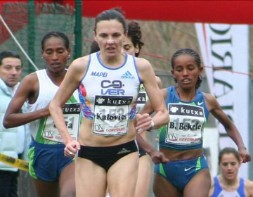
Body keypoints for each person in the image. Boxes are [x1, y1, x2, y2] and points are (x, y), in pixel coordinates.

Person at [49, 9, 169, 197]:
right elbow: (55, 105)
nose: (110, 41)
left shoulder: (141, 67)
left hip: (124, 150)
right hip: (89, 152)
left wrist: (152, 122)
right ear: (95, 36)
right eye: (104, 35)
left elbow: (163, 112)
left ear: (125, 36)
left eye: (116, 35)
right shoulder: (81, 66)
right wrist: (67, 139)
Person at [141, 48, 251, 197]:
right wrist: (151, 150)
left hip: (196, 168)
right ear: (173, 73)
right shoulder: (162, 96)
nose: (185, 73)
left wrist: (241, 147)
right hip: (165, 169)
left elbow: (229, 126)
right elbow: (133, 126)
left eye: (190, 68)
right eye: (179, 69)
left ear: (199, 70)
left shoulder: (207, 100)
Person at [3, 32, 78, 197]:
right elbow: (8, 120)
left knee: (69, 194)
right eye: (49, 52)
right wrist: (45, 111)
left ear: (68, 52)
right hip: (43, 152)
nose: (55, 57)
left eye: (60, 51)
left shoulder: (79, 80)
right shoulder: (33, 81)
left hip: (73, 151)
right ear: (42, 54)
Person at [122, 20, 168, 197]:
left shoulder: (153, 81)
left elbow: (161, 114)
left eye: (127, 47)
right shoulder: (102, 80)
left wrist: (150, 122)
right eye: (119, 47)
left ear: (136, 48)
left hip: (141, 149)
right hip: (109, 146)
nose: (122, 53)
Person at [0, 50, 28, 197]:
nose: (13, 72)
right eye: (8, 67)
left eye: (17, 68)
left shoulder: (22, 92)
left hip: (14, 162)